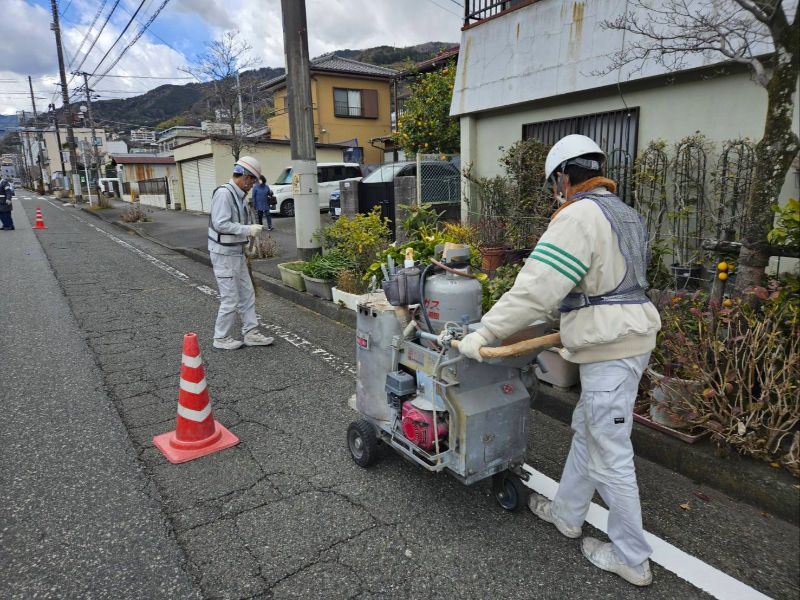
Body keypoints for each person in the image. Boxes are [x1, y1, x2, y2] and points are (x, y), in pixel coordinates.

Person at [458, 134, 661, 586]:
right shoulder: (624, 213)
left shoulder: (579, 215)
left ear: (563, 177)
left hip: (612, 347)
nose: (556, 191)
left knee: (609, 451)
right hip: (625, 338)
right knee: (588, 430)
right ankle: (567, 514)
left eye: (555, 183)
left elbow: (538, 287)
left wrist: (486, 332)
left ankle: (632, 558)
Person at [207, 156, 274, 350]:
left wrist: (246, 245)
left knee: (247, 294)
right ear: (245, 177)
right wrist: (248, 230)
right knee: (230, 298)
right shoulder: (224, 194)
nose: (252, 185)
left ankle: (251, 333)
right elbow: (220, 223)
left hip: (236, 252)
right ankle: (220, 338)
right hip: (223, 254)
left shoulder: (238, 196)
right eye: (252, 181)